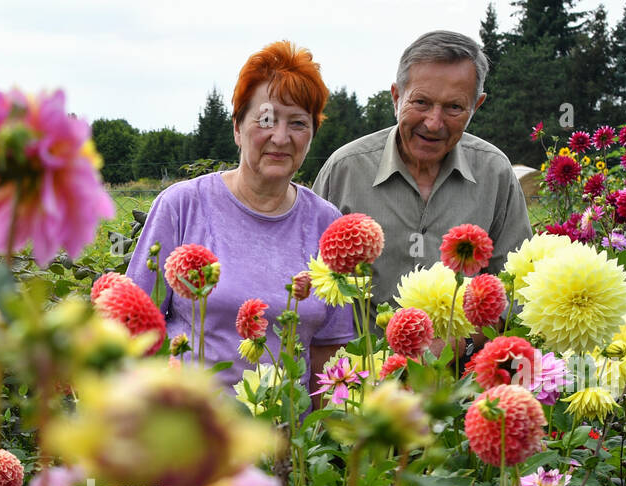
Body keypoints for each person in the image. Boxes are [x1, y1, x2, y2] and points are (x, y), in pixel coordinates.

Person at [125, 41, 355, 388]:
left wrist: (324, 439)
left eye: (298, 123)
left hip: (287, 436)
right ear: (237, 127)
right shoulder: (183, 206)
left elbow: (329, 351)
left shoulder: (327, 224)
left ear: (311, 136)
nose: (280, 137)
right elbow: (134, 329)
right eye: (266, 119)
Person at [313, 30, 532, 309]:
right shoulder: (345, 170)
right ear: (396, 97)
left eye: (454, 107)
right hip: (360, 352)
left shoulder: (495, 173)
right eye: (421, 102)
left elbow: (516, 290)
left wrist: (460, 344)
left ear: (476, 107)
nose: (433, 122)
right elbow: (310, 280)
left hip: (463, 353)